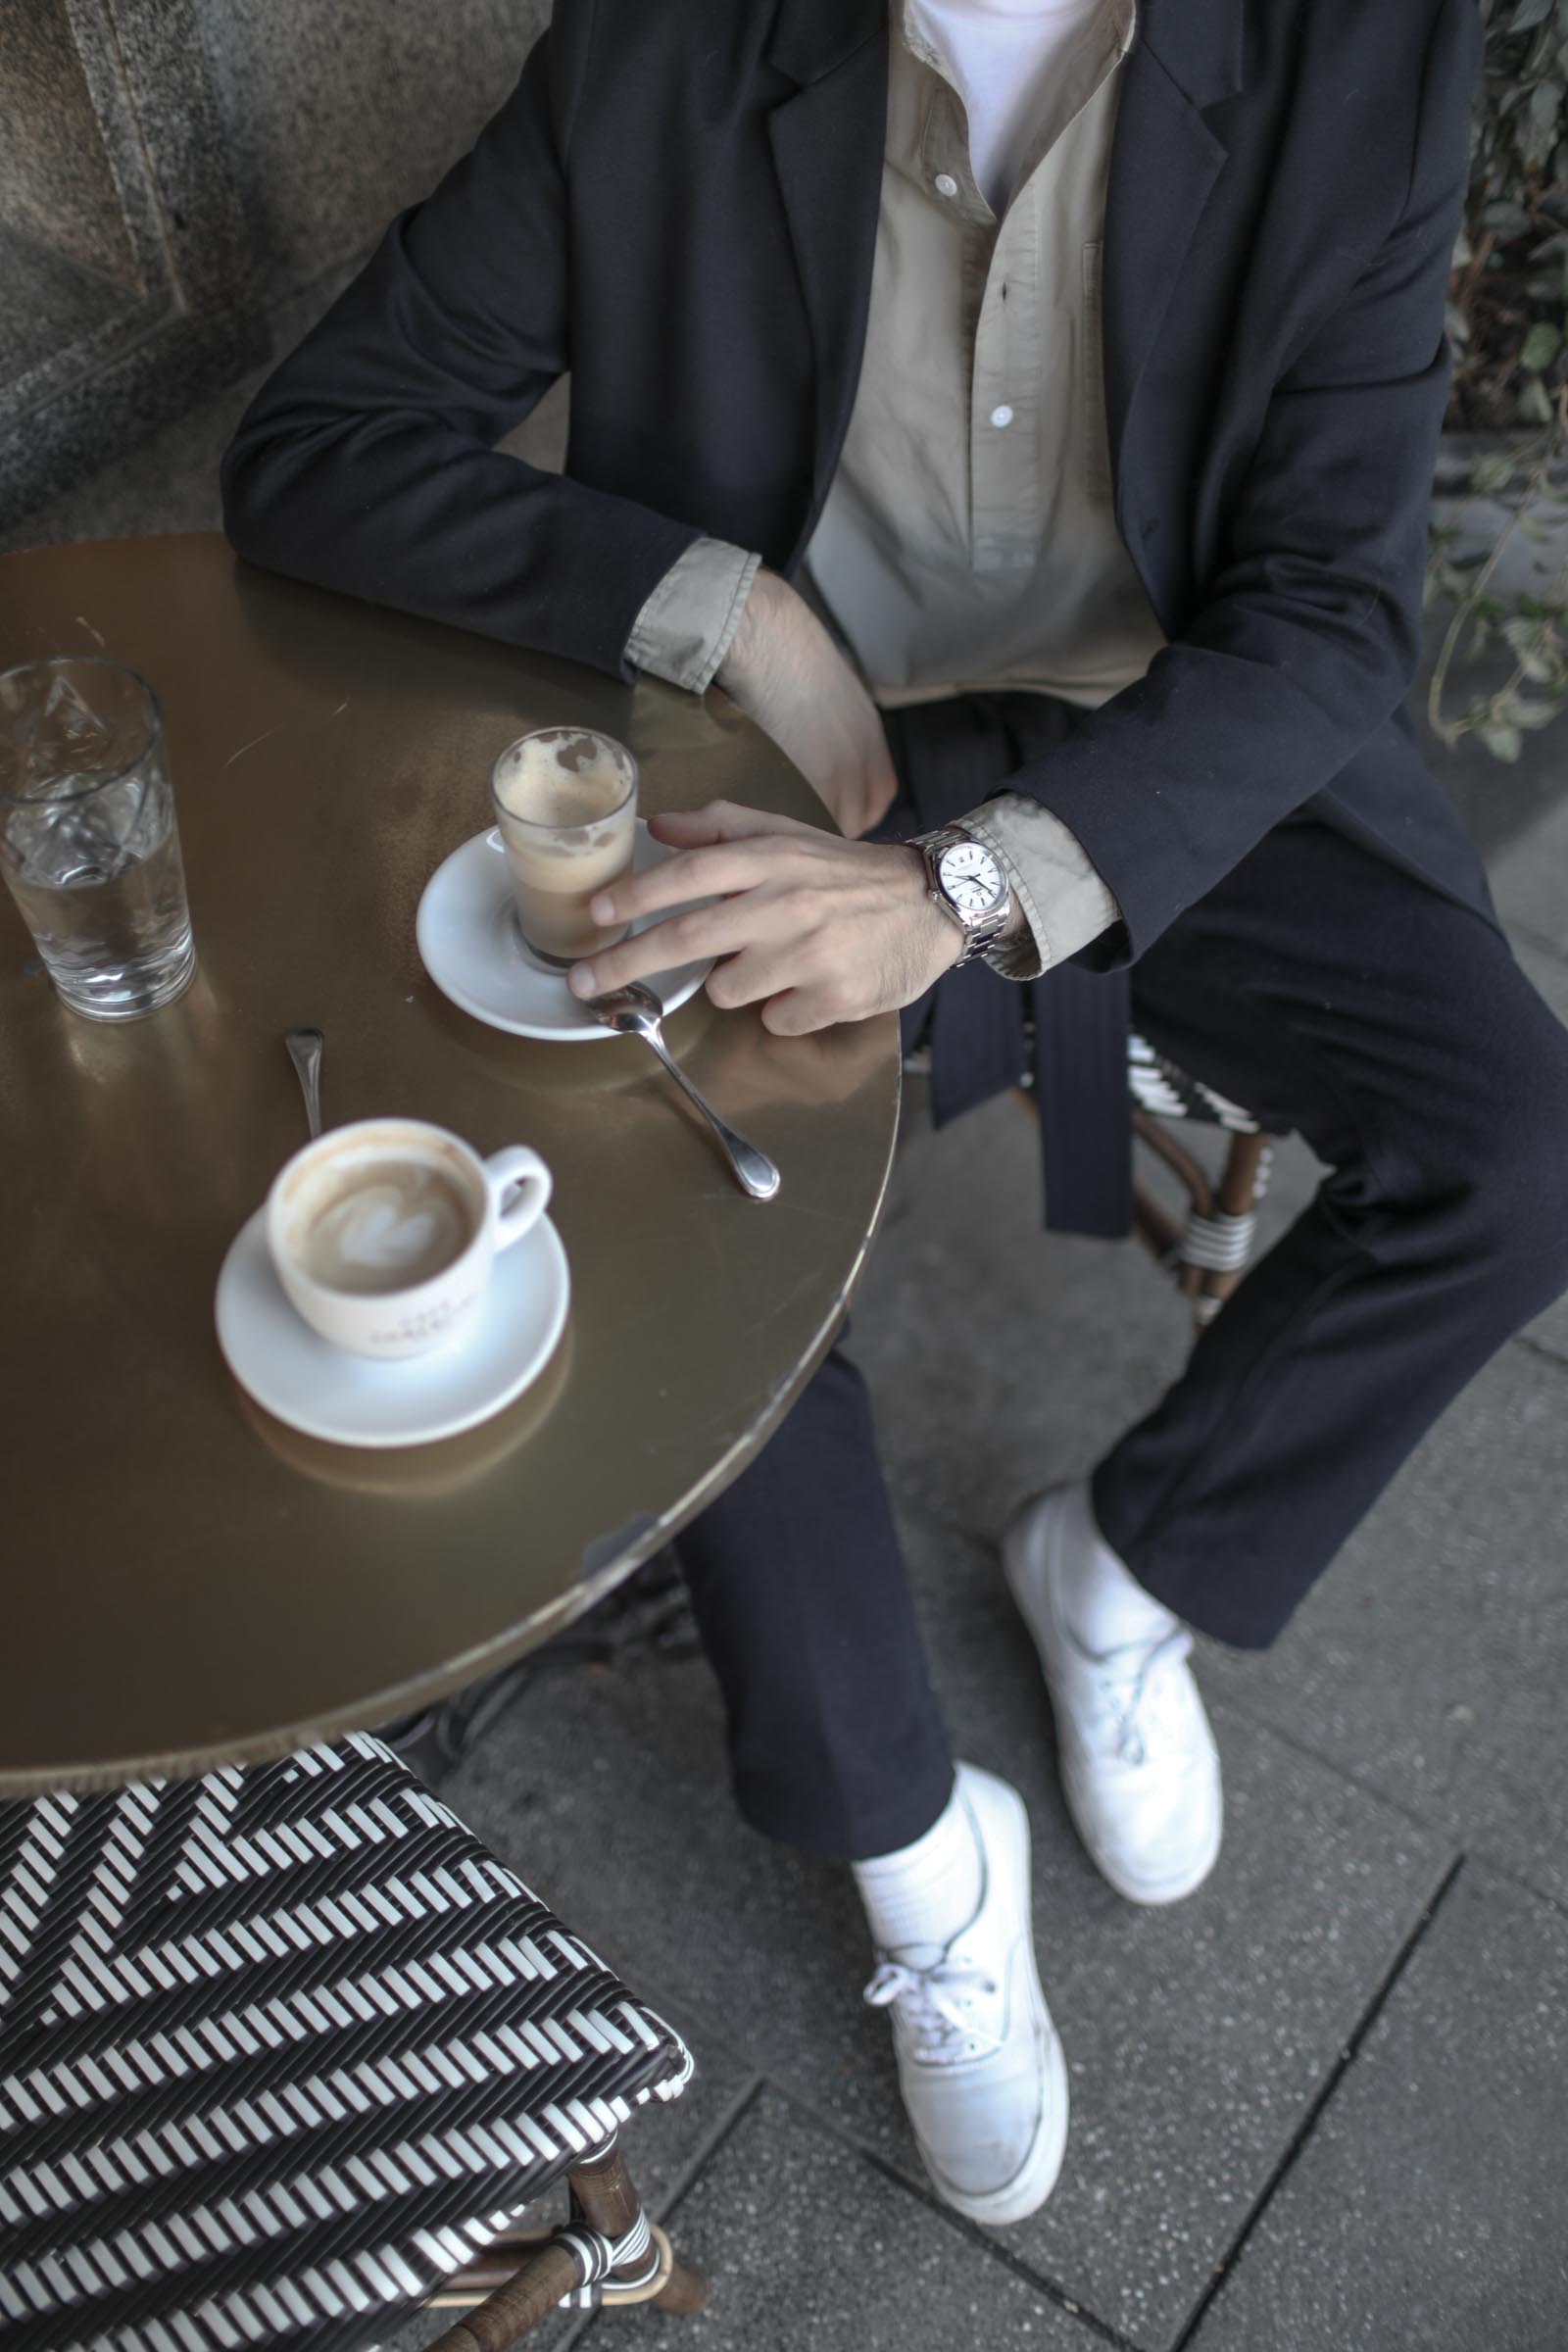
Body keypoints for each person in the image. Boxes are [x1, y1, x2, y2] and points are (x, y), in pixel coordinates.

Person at [222, 0, 1568, 2228]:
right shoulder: (663, 40)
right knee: (680, 1261)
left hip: (1179, 744)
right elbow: (319, 444)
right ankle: (922, 1860)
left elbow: (1331, 613)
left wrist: (961, 898)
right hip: (784, 775)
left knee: (1521, 1149)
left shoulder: (1369, 43)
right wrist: (726, 609)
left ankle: (1126, 1568)